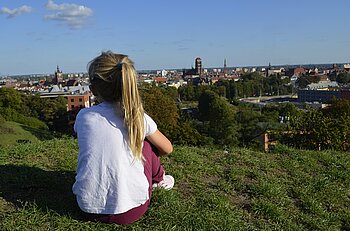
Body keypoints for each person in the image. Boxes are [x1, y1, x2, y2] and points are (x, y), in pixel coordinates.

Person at [73, 51, 174, 225]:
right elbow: (167, 148)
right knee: (146, 145)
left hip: (87, 209)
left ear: (93, 89)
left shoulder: (84, 116)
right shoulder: (137, 117)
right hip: (131, 211)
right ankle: (160, 179)